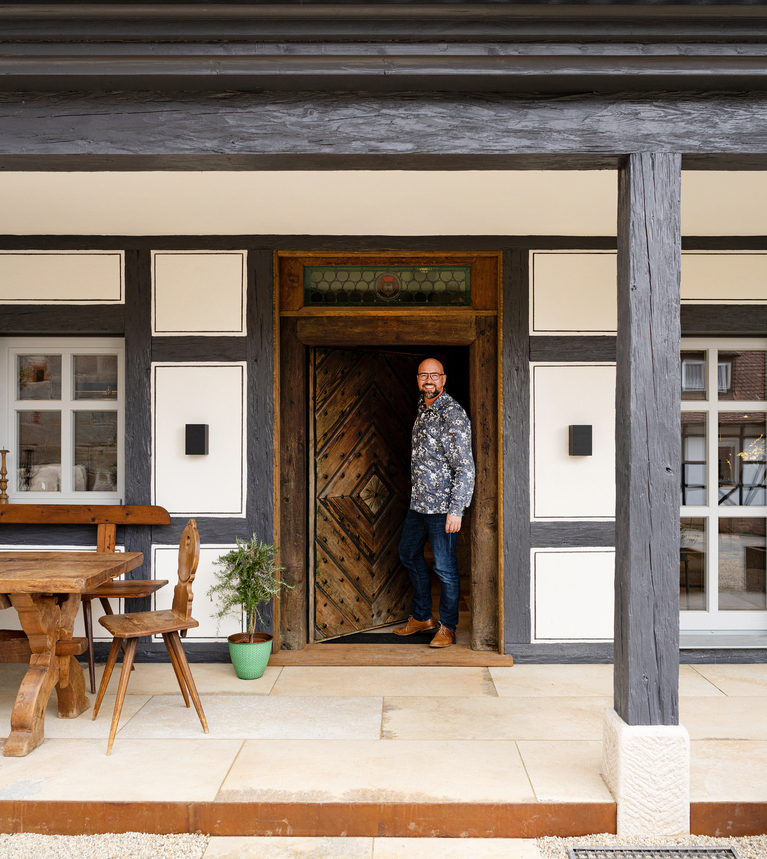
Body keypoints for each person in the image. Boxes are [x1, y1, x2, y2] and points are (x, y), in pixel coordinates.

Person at [394, 357, 475, 648]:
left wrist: (457, 509)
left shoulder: (452, 414)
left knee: (445, 567)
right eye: (423, 375)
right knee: (408, 554)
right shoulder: (423, 409)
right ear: (418, 379)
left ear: (444, 379)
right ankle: (422, 617)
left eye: (434, 375)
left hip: (443, 508)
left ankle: (448, 627)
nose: (428, 380)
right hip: (419, 504)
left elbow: (464, 466)